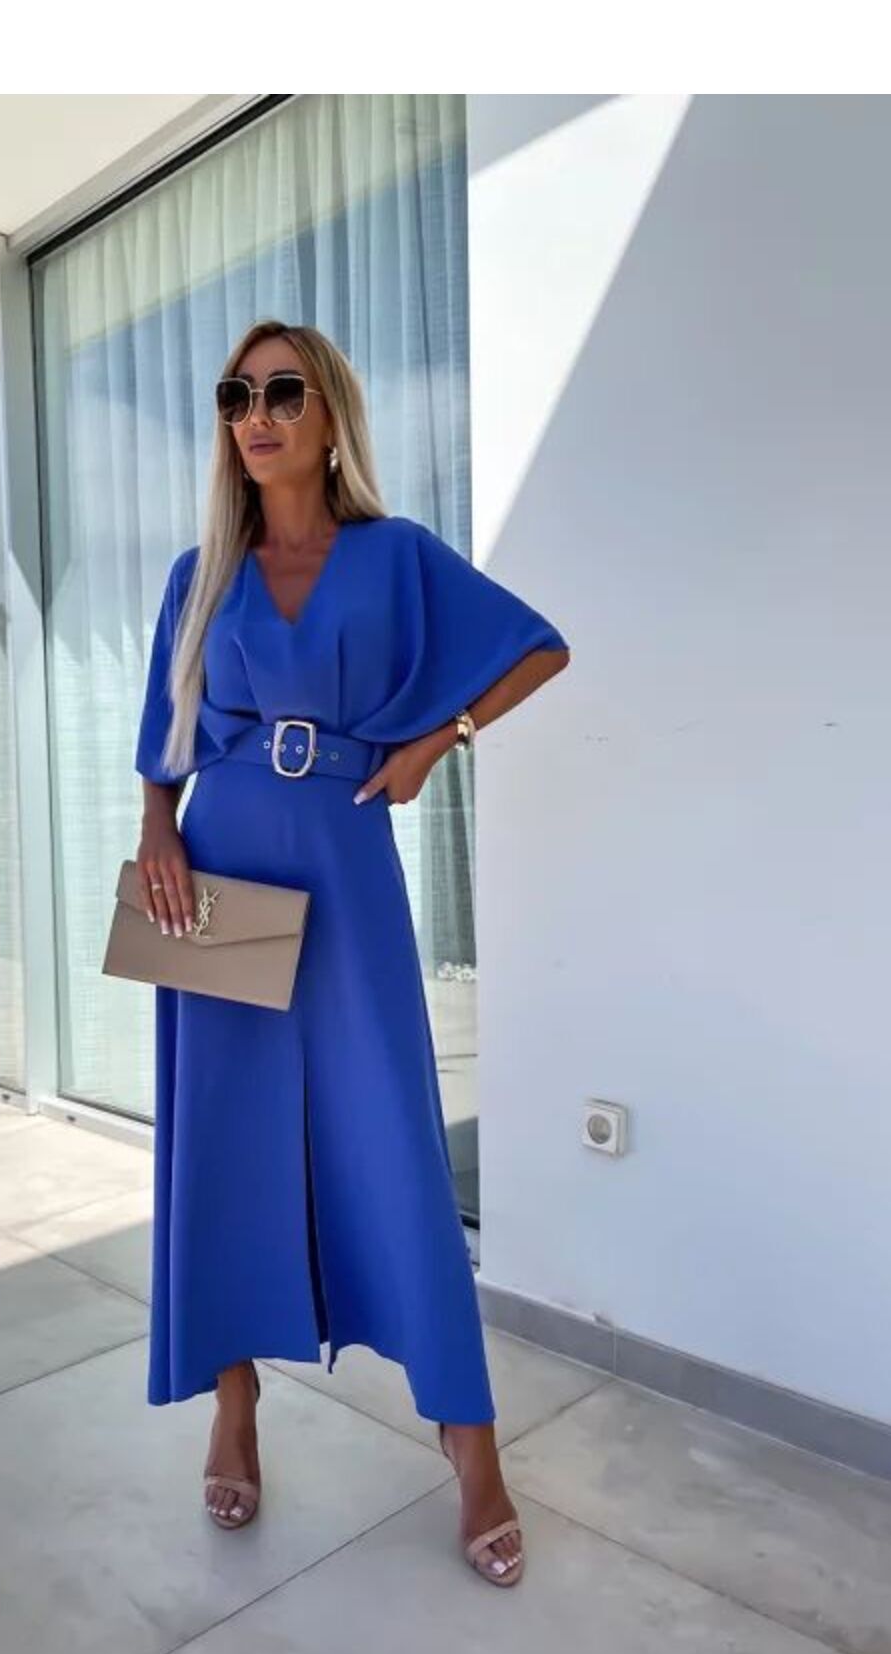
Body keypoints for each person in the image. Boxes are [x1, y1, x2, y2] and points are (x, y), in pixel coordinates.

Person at [134, 320, 570, 1587]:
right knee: (222, 1142)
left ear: (330, 416)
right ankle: (233, 1406)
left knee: (392, 1137)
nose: (256, 415)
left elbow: (538, 647)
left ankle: (470, 1443)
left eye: (284, 392)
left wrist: (438, 739)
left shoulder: (393, 555)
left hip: (345, 859)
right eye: (238, 395)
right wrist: (156, 829)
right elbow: (164, 736)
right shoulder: (200, 574)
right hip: (219, 866)